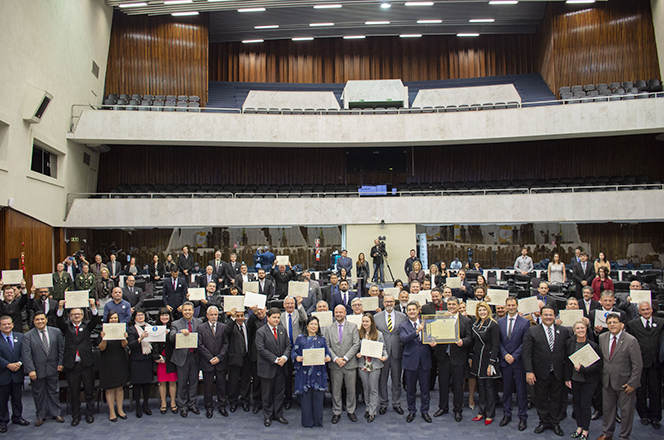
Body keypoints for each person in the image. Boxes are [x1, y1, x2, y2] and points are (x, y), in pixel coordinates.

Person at [522, 305, 570, 436]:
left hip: (558, 372)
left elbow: (567, 354)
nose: (548, 317)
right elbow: (526, 353)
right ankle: (543, 421)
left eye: (551, 315)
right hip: (539, 372)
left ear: (555, 316)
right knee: (541, 399)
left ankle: (555, 423)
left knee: (556, 399)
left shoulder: (563, 331)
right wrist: (529, 371)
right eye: (546, 315)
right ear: (541, 316)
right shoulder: (532, 331)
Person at [597, 314, 642, 440]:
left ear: (621, 324)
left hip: (625, 384)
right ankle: (607, 434)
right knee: (607, 410)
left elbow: (637, 365)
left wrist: (633, 383)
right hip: (607, 382)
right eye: (609, 322)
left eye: (615, 322)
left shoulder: (631, 340)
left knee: (626, 412)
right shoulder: (602, 338)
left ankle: (624, 436)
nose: (612, 324)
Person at [56, 298, 101, 425]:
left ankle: (89, 414)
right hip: (72, 365)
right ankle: (76, 416)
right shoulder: (67, 328)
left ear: (82, 315)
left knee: (88, 391)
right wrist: (60, 308)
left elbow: (96, 320)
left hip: (86, 364)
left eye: (79, 314)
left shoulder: (87, 326)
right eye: (74, 314)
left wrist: (93, 306)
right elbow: (59, 321)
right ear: (70, 316)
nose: (77, 316)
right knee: (74, 392)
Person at [21, 312, 65, 426]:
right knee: (38, 393)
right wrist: (30, 370)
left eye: (42, 319)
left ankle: (56, 413)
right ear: (34, 321)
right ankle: (41, 415)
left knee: (54, 391)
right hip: (37, 370)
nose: (40, 321)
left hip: (53, 367)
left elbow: (61, 349)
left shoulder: (56, 332)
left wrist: (60, 362)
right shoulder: (28, 336)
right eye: (37, 320)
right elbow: (26, 355)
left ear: (46, 320)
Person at [432, 297, 472, 422]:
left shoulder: (465, 321)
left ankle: (458, 410)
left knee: (458, 386)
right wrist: (432, 340)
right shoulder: (441, 318)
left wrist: (463, 342)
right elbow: (434, 334)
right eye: (449, 304)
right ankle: (443, 407)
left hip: (458, 357)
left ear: (458, 306)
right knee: (443, 384)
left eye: (453, 304)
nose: (451, 306)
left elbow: (470, 338)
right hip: (443, 356)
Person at [626, 301, 664, 429]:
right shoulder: (632, 324)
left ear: (651, 310)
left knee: (655, 391)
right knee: (640, 391)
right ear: (639, 311)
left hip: (655, 363)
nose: (646, 311)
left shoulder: (661, 322)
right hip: (639, 363)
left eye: (648, 309)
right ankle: (643, 415)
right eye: (643, 310)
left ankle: (655, 417)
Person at [292, 316, 332, 428]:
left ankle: (318, 421)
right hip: (304, 373)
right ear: (307, 326)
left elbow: (327, 353)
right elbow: (293, 352)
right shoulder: (300, 338)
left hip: (318, 372)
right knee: (306, 399)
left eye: (316, 324)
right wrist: (297, 357)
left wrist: (327, 357)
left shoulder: (322, 339)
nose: (314, 326)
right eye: (311, 324)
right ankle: (307, 422)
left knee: (318, 398)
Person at [324, 304, 360, 424]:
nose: (338, 314)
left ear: (345, 313)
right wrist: (335, 359)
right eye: (336, 312)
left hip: (349, 364)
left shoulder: (353, 326)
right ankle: (337, 411)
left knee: (351, 390)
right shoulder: (328, 328)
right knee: (336, 390)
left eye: (341, 312)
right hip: (335, 365)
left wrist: (345, 358)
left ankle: (351, 410)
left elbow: (356, 344)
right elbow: (327, 345)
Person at [565, 320, 601, 440]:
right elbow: (566, 362)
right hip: (575, 380)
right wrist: (567, 378)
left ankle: (585, 430)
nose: (580, 330)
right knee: (576, 405)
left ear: (586, 329)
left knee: (585, 405)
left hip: (589, 381)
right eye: (578, 328)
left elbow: (598, 365)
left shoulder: (593, 345)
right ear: (574, 331)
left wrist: (584, 369)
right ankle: (579, 427)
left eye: (583, 328)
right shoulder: (570, 343)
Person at [255, 307, 291, 427]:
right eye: (274, 317)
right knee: (267, 394)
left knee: (279, 393)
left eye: (278, 317)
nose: (276, 320)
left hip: (281, 368)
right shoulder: (261, 331)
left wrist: (284, 358)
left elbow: (288, 345)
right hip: (267, 368)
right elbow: (261, 349)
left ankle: (278, 414)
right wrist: (276, 360)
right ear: (268, 318)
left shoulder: (282, 329)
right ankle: (268, 416)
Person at [498, 296, 529, 431]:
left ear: (517, 306)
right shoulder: (500, 322)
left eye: (513, 305)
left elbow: (525, 343)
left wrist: (514, 356)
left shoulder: (524, 322)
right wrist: (505, 354)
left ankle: (522, 416)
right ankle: (507, 414)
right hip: (505, 361)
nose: (511, 307)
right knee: (507, 389)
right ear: (505, 307)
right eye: (508, 305)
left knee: (521, 390)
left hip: (518, 362)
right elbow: (498, 341)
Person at [399, 301, 433, 423]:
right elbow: (404, 339)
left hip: (424, 360)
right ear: (407, 312)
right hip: (410, 362)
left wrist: (433, 344)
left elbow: (432, 338)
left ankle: (425, 411)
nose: (412, 311)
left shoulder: (426, 323)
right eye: (409, 310)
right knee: (411, 390)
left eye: (414, 309)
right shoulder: (403, 325)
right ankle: (411, 411)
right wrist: (417, 331)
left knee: (425, 390)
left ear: (418, 310)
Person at [469, 302, 500, 425]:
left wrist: (491, 363)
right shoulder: (476, 324)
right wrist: (471, 357)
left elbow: (496, 345)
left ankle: (490, 414)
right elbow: (473, 343)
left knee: (489, 388)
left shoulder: (493, 325)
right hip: (477, 359)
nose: (482, 312)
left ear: (488, 311)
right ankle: (481, 412)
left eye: (484, 310)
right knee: (480, 387)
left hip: (488, 360)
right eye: (480, 310)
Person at [169, 301, 202, 418]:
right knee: (182, 383)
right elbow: (171, 337)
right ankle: (182, 405)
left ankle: (192, 404)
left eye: (189, 310)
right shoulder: (176, 323)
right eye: (185, 310)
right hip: (182, 357)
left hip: (195, 356)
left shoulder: (199, 322)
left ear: (193, 311)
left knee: (194, 382)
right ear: (182, 311)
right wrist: (179, 332)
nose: (187, 312)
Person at [375, 294, 406, 415]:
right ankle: (383, 403)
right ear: (383, 303)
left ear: (395, 303)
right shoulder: (376, 317)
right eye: (387, 302)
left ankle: (396, 403)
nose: (389, 304)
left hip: (397, 352)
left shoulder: (402, 317)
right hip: (382, 353)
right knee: (382, 380)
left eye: (391, 302)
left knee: (396, 379)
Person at [197, 305, 229, 418]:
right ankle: (209, 407)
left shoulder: (223, 327)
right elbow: (200, 345)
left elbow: (226, 344)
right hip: (207, 362)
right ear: (207, 316)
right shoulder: (200, 328)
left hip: (220, 362)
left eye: (215, 314)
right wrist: (210, 358)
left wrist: (219, 357)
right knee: (208, 386)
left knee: (222, 386)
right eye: (211, 315)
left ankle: (222, 406)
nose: (214, 317)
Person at [356, 313, 388, 423]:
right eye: (363, 321)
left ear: (371, 323)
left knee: (373, 389)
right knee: (366, 388)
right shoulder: (359, 334)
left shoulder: (378, 334)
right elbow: (355, 348)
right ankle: (367, 408)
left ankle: (372, 412)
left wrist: (384, 357)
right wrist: (358, 354)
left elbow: (383, 349)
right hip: (362, 365)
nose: (365, 323)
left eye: (367, 321)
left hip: (375, 365)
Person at [98, 311, 129, 422]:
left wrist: (124, 337)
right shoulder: (103, 331)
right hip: (107, 362)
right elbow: (101, 348)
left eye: (115, 318)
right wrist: (103, 338)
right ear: (108, 319)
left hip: (120, 360)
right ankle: (112, 411)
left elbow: (124, 345)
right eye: (111, 318)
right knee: (110, 388)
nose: (114, 320)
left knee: (120, 387)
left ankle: (120, 410)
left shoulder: (122, 329)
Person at [0, 315, 28, 433]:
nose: (7, 326)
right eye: (4, 324)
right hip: (3, 374)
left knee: (17, 398)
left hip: (17, 372)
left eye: (8, 324)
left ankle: (17, 417)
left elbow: (25, 352)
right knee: (2, 400)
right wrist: (7, 365)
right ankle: (3, 421)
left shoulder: (20, 336)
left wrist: (19, 363)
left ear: (12, 324)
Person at [127, 308, 155, 418]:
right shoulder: (131, 329)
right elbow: (131, 345)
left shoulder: (149, 327)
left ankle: (146, 405)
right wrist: (140, 338)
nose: (140, 317)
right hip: (136, 360)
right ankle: (138, 405)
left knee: (147, 384)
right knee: (137, 385)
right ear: (134, 317)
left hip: (148, 359)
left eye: (142, 315)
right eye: (138, 315)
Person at [281, 296, 307, 410]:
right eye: (288, 304)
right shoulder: (281, 316)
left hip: (298, 350)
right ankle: (288, 399)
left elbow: (305, 319)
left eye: (292, 304)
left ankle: (302, 399)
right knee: (287, 377)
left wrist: (300, 305)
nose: (290, 306)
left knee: (300, 375)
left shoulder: (298, 313)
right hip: (285, 350)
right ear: (284, 305)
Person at [225, 308, 251, 412]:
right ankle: (233, 402)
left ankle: (245, 401)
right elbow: (227, 330)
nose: (240, 318)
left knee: (246, 381)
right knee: (233, 382)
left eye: (241, 316)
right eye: (238, 316)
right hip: (234, 358)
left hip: (246, 358)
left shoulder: (247, 325)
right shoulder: (232, 326)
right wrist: (231, 317)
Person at [153, 308, 178, 414]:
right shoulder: (155, 328)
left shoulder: (173, 327)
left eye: (166, 315)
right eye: (162, 315)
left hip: (171, 358)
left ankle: (173, 403)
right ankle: (163, 403)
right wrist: (156, 356)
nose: (164, 317)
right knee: (162, 382)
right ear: (159, 317)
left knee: (172, 381)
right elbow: (153, 344)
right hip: (160, 360)